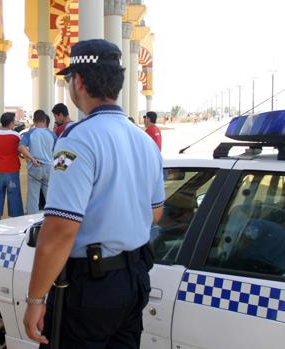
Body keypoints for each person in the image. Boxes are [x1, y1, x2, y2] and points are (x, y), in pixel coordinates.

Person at [23, 39, 165, 348]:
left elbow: (60, 230)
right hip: (134, 277)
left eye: (69, 78)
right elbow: (155, 213)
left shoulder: (79, 140)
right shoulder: (144, 141)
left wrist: (35, 298)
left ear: (79, 81)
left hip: (93, 286)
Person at [18, 110, 56, 214]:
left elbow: (21, 147)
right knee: (49, 196)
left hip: (35, 167)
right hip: (49, 167)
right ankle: (51, 217)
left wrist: (32, 159)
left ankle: (31, 220)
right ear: (45, 120)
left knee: (33, 197)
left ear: (34, 120)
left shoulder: (30, 133)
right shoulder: (52, 134)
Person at [0, 112, 23, 220]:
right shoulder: (16, 136)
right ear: (11, 123)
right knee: (14, 197)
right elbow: (19, 149)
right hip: (13, 170)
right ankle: (14, 220)